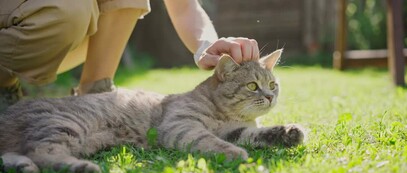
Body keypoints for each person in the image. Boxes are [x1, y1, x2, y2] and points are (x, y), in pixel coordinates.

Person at [0, 0, 260, 112]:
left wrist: (206, 45)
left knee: (73, 13)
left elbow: (183, 8)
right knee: (71, 10)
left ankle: (93, 100)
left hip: (52, 28)